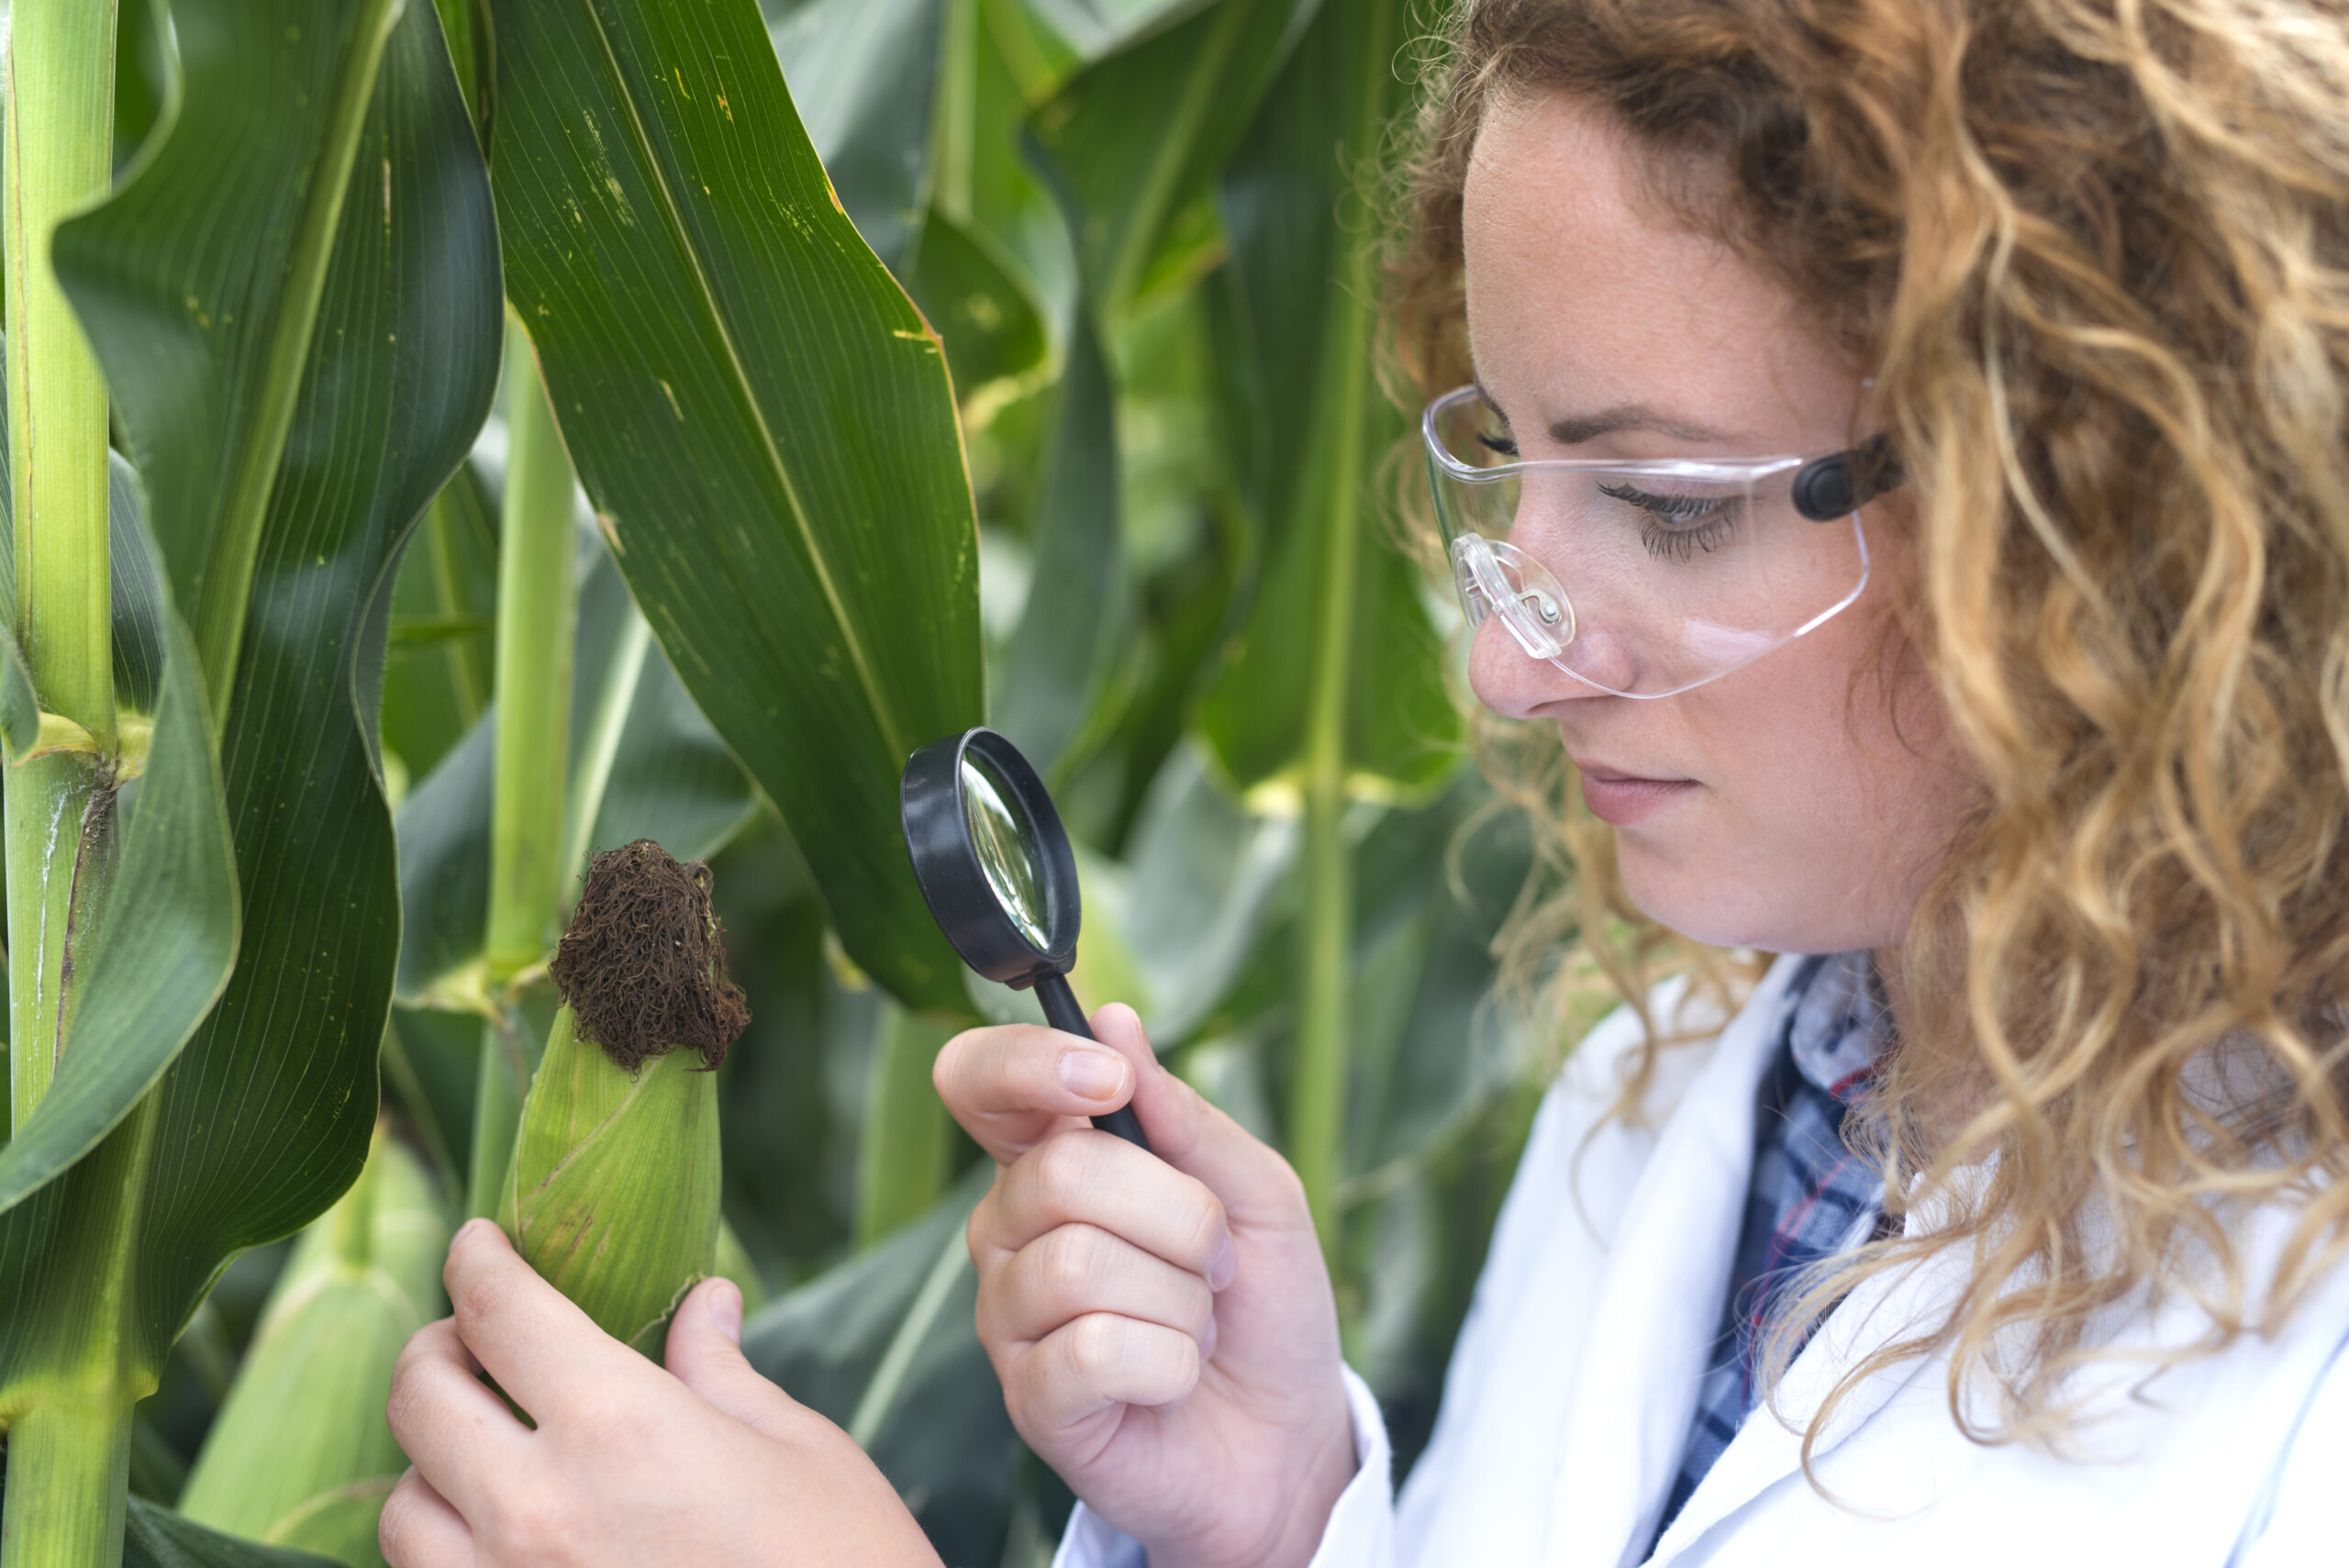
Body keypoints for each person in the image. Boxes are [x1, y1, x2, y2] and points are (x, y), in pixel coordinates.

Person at [377, 0, 2349, 1562]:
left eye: (1666, 508)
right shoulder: (1699, 1091)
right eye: (1507, 469)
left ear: (2101, 503)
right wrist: (1280, 1515)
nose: (1502, 665)